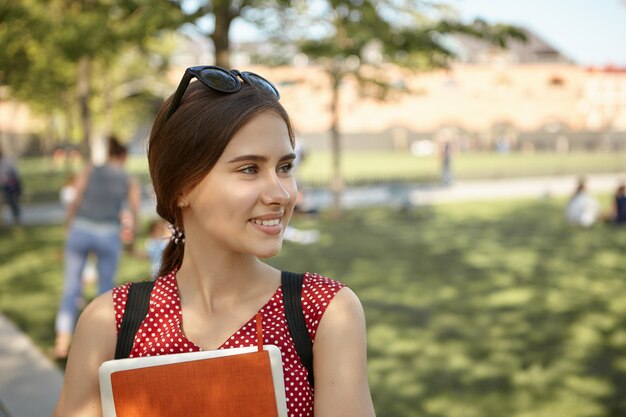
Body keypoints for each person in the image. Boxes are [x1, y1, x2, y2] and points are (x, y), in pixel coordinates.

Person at [54, 66, 375, 417]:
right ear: (182, 187)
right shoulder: (110, 322)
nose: (282, 193)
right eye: (250, 169)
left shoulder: (324, 311)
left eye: (284, 167)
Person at [53, 136, 141, 359]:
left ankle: (62, 343)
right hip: (108, 234)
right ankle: (100, 347)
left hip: (81, 230)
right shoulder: (128, 179)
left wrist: (68, 227)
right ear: (122, 156)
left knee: (71, 287)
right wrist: (132, 240)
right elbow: (135, 211)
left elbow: (76, 199)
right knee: (105, 291)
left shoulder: (90, 170)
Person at [0, 148, 22, 226]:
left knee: (12, 201)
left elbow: (15, 172)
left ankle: (16, 218)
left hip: (7, 186)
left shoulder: (6, 161)